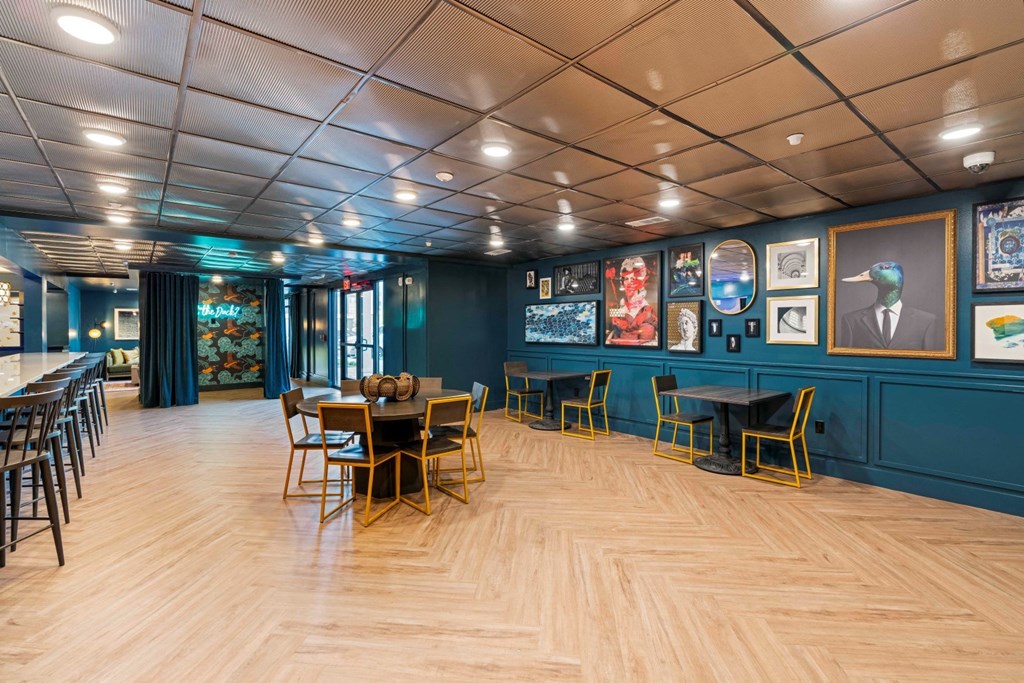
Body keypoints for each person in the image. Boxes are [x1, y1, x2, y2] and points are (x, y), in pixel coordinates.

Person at [839, 261, 941, 350]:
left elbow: (930, 362)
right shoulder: (851, 320)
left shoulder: (927, 321)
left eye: (885, 267)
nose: (863, 274)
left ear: (898, 276)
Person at [606, 256, 657, 345]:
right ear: (623, 282)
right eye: (626, 279)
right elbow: (614, 332)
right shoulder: (620, 306)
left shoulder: (646, 308)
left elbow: (646, 338)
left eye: (633, 279)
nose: (629, 282)